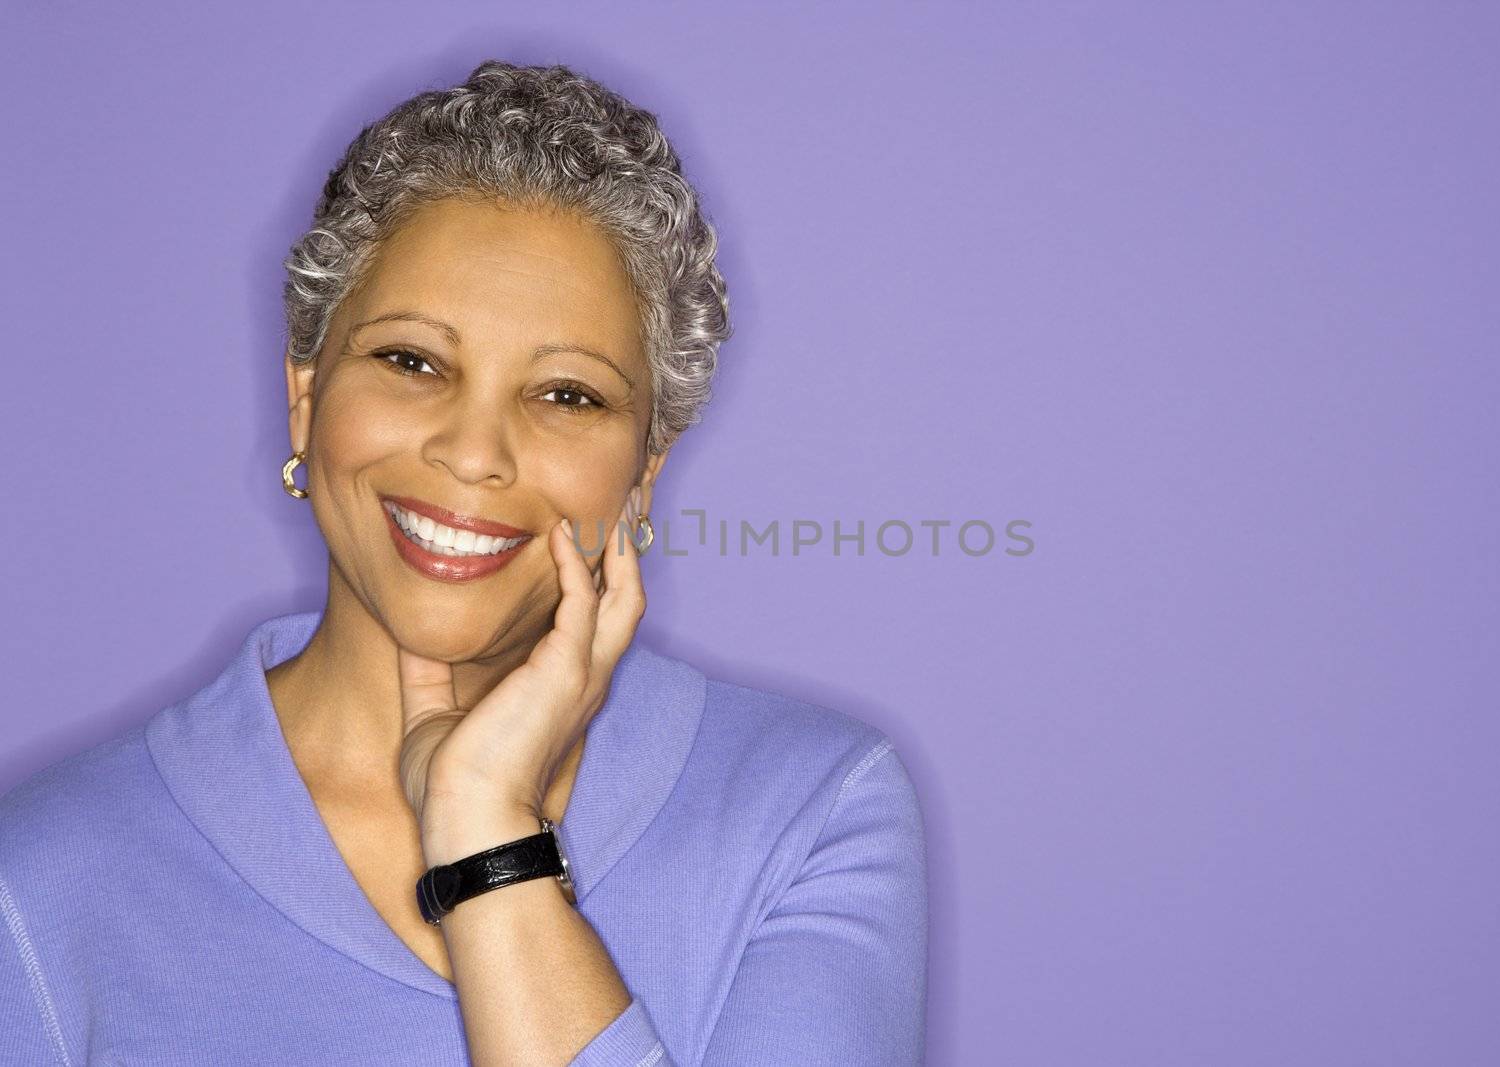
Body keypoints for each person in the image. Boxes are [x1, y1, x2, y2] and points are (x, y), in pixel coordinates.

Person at [0, 59, 928, 1065]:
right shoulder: (48, 880)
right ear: (307, 400)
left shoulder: (806, 809)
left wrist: (487, 830)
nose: (474, 452)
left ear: (643, 469)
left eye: (568, 394)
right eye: (412, 362)